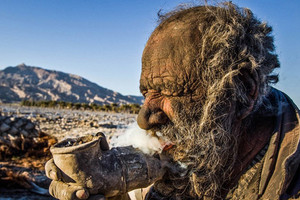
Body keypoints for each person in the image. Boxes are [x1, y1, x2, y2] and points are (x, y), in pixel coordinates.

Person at [46, 2, 300, 200]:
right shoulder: (190, 165)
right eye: (146, 93)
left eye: (168, 89)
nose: (143, 120)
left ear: (241, 91)